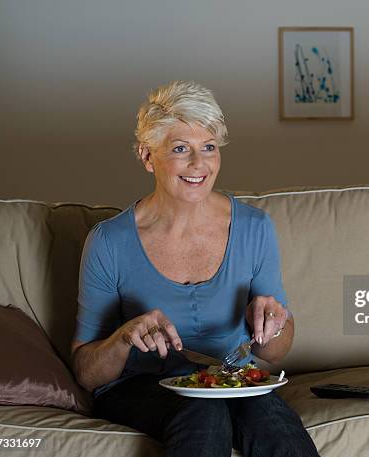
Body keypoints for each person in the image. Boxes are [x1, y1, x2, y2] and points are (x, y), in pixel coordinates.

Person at [70, 80, 319, 457]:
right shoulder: (109, 242)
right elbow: (87, 374)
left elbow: (275, 354)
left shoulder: (253, 228)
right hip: (140, 387)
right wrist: (123, 336)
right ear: (147, 156)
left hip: (231, 379)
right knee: (203, 410)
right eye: (180, 148)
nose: (198, 164)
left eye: (209, 148)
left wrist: (273, 324)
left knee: (271, 419)